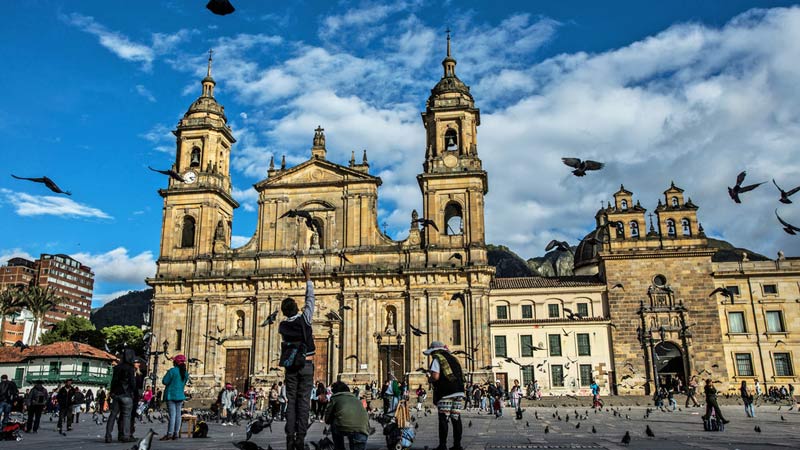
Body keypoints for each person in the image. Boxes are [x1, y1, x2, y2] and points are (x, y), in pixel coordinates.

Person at [279, 262, 316, 450]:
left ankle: (289, 437)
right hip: (307, 365)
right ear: (296, 308)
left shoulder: (282, 326)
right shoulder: (305, 319)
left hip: (290, 368)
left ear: (284, 312)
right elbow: (310, 299)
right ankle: (300, 438)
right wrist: (308, 278)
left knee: (290, 402)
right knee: (303, 403)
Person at [425, 341, 465, 450]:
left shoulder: (437, 358)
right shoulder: (453, 358)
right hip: (459, 391)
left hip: (446, 393)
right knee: (456, 418)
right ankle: (457, 445)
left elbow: (436, 376)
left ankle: (442, 445)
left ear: (434, 351)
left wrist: (429, 378)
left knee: (443, 418)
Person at [325, 381, 369, 450]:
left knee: (333, 422)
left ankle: (339, 447)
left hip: (342, 428)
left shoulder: (335, 398)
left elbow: (327, 418)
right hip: (363, 430)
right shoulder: (356, 399)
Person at [106, 349, 137, 443]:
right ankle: (125, 435)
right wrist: (134, 393)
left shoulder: (117, 367)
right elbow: (132, 383)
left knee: (113, 415)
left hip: (117, 394)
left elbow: (113, 381)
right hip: (126, 395)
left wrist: (112, 392)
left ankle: (108, 435)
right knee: (126, 416)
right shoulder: (131, 368)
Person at [160, 354, 189, 440]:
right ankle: (176, 434)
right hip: (180, 395)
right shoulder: (185, 373)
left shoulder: (172, 371)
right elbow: (183, 383)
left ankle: (169, 434)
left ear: (175, 363)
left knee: (172, 415)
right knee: (178, 415)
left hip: (171, 395)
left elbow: (164, 381)